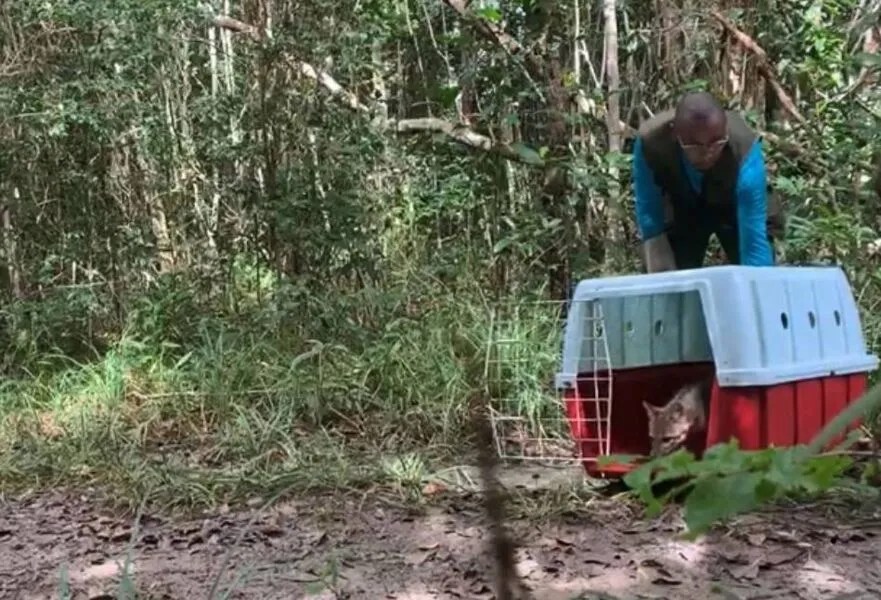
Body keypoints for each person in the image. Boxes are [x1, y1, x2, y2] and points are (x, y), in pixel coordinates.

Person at [631, 91, 784, 273]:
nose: (707, 152)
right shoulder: (651, 142)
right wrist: (663, 278)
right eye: (694, 145)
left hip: (735, 209)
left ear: (725, 130)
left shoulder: (744, 149)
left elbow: (753, 238)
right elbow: (650, 215)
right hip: (682, 209)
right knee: (673, 282)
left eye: (716, 142)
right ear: (676, 135)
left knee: (757, 268)